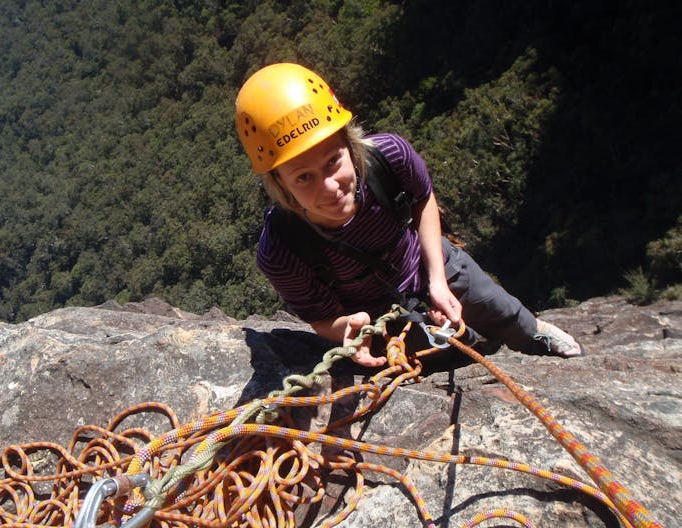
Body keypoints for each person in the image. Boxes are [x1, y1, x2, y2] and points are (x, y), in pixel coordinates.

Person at [235, 62, 584, 367]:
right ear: (278, 183)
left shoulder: (390, 156)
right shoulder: (282, 249)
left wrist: (436, 280)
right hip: (380, 313)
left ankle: (532, 333)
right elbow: (321, 317)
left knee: (499, 308)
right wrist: (348, 328)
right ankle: (484, 342)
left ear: (349, 144)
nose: (330, 187)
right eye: (303, 177)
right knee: (457, 352)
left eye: (333, 162)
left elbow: (422, 199)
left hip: (427, 260)